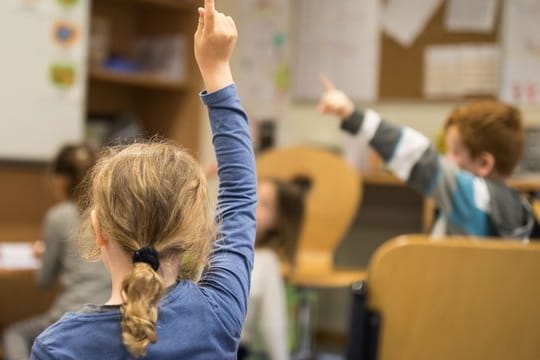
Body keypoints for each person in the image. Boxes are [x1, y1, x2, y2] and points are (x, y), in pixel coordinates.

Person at [30, 1, 257, 359]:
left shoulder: (59, 346)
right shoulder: (218, 312)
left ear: (97, 228)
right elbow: (240, 197)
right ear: (191, 229)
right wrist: (217, 71)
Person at [318, 77, 539, 240]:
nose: (447, 160)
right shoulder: (521, 208)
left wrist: (352, 114)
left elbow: (418, 156)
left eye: (454, 153)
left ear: (484, 164)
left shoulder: (474, 197)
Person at [3, 144, 110, 360]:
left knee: (14, 334)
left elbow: (44, 280)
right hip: (112, 312)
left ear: (61, 180)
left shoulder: (59, 216)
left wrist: (48, 256)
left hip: (73, 313)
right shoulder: (110, 212)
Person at [238, 179, 306, 360]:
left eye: (265, 204)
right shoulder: (216, 242)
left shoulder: (267, 263)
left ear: (278, 220)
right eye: (253, 196)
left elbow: (273, 326)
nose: (253, 205)